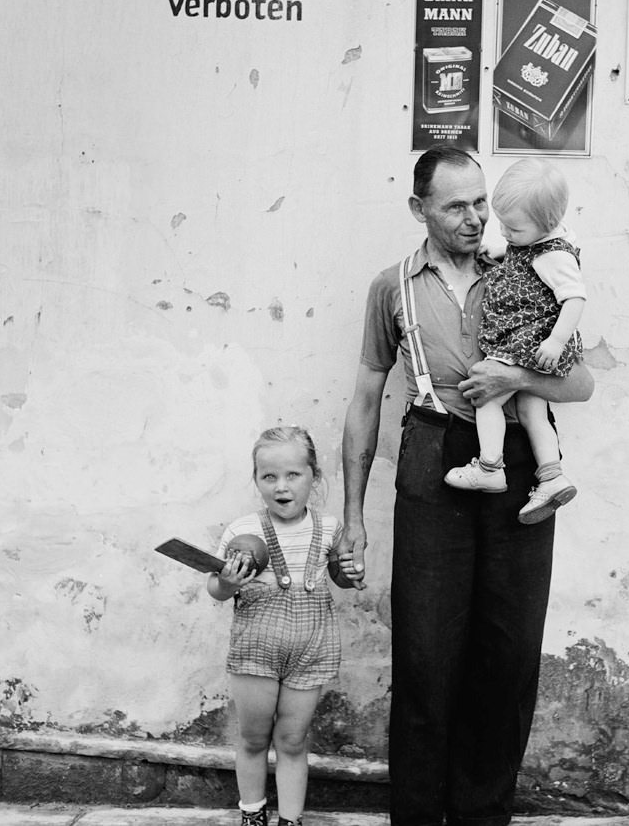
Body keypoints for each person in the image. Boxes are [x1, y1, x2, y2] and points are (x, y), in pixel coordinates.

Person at [341, 146, 593, 826]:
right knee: (425, 657)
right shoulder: (391, 287)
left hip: (515, 467)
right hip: (432, 455)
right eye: (455, 206)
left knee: (507, 656)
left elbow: (581, 382)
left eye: (480, 201)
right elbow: (366, 401)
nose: (475, 217)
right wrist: (352, 516)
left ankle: (483, 816)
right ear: (418, 209)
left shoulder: (526, 267)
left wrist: (515, 379)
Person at [207, 426, 364, 826]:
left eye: (293, 474)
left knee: (293, 740)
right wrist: (227, 581)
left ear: (314, 475)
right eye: (269, 476)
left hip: (310, 649)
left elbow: (343, 577)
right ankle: (252, 813)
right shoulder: (243, 532)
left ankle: (290, 819)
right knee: (255, 738)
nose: (281, 486)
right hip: (256, 651)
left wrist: (350, 571)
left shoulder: (329, 529)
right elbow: (216, 588)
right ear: (257, 480)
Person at [444, 157, 586, 524]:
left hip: (530, 340)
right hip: (533, 342)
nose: (505, 232)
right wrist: (506, 253)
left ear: (546, 225)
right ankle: (552, 476)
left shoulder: (556, 255)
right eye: (503, 223)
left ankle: (490, 466)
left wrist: (555, 342)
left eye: (514, 229)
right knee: (531, 411)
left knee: (487, 393)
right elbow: (528, 256)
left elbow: (574, 298)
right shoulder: (542, 241)